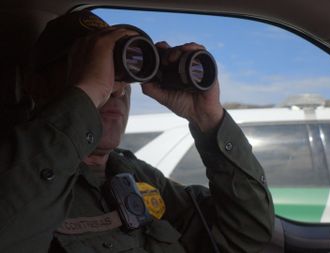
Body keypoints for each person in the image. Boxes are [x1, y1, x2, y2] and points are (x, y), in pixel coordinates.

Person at [0, 9, 274, 253]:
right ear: (37, 86)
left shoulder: (137, 177)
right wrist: (88, 92)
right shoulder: (19, 181)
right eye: (95, 66)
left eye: (127, 70)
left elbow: (246, 238)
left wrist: (207, 118)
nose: (118, 88)